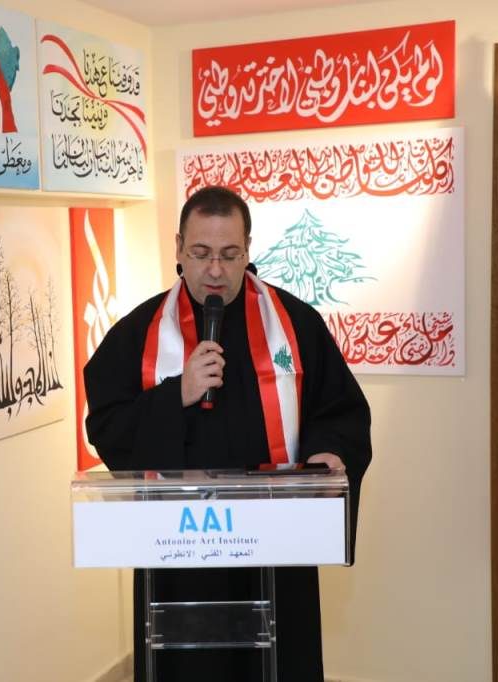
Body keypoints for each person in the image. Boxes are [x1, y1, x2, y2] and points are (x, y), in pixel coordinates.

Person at [83, 186, 372, 682]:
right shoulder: (138, 333)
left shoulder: (295, 323)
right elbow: (107, 426)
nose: (215, 270)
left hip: (276, 550)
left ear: (248, 249)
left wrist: (329, 451)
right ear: (178, 249)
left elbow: (340, 410)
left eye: (229, 254)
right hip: (180, 557)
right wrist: (176, 395)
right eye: (200, 253)